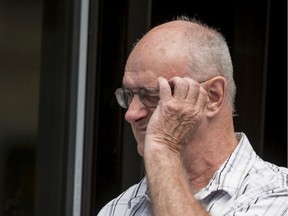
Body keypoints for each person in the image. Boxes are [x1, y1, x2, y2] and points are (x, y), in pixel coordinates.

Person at [98, 16, 288, 216]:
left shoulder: (277, 193)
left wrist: (164, 145)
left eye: (153, 95)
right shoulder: (119, 208)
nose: (131, 113)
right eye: (128, 95)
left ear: (213, 96)